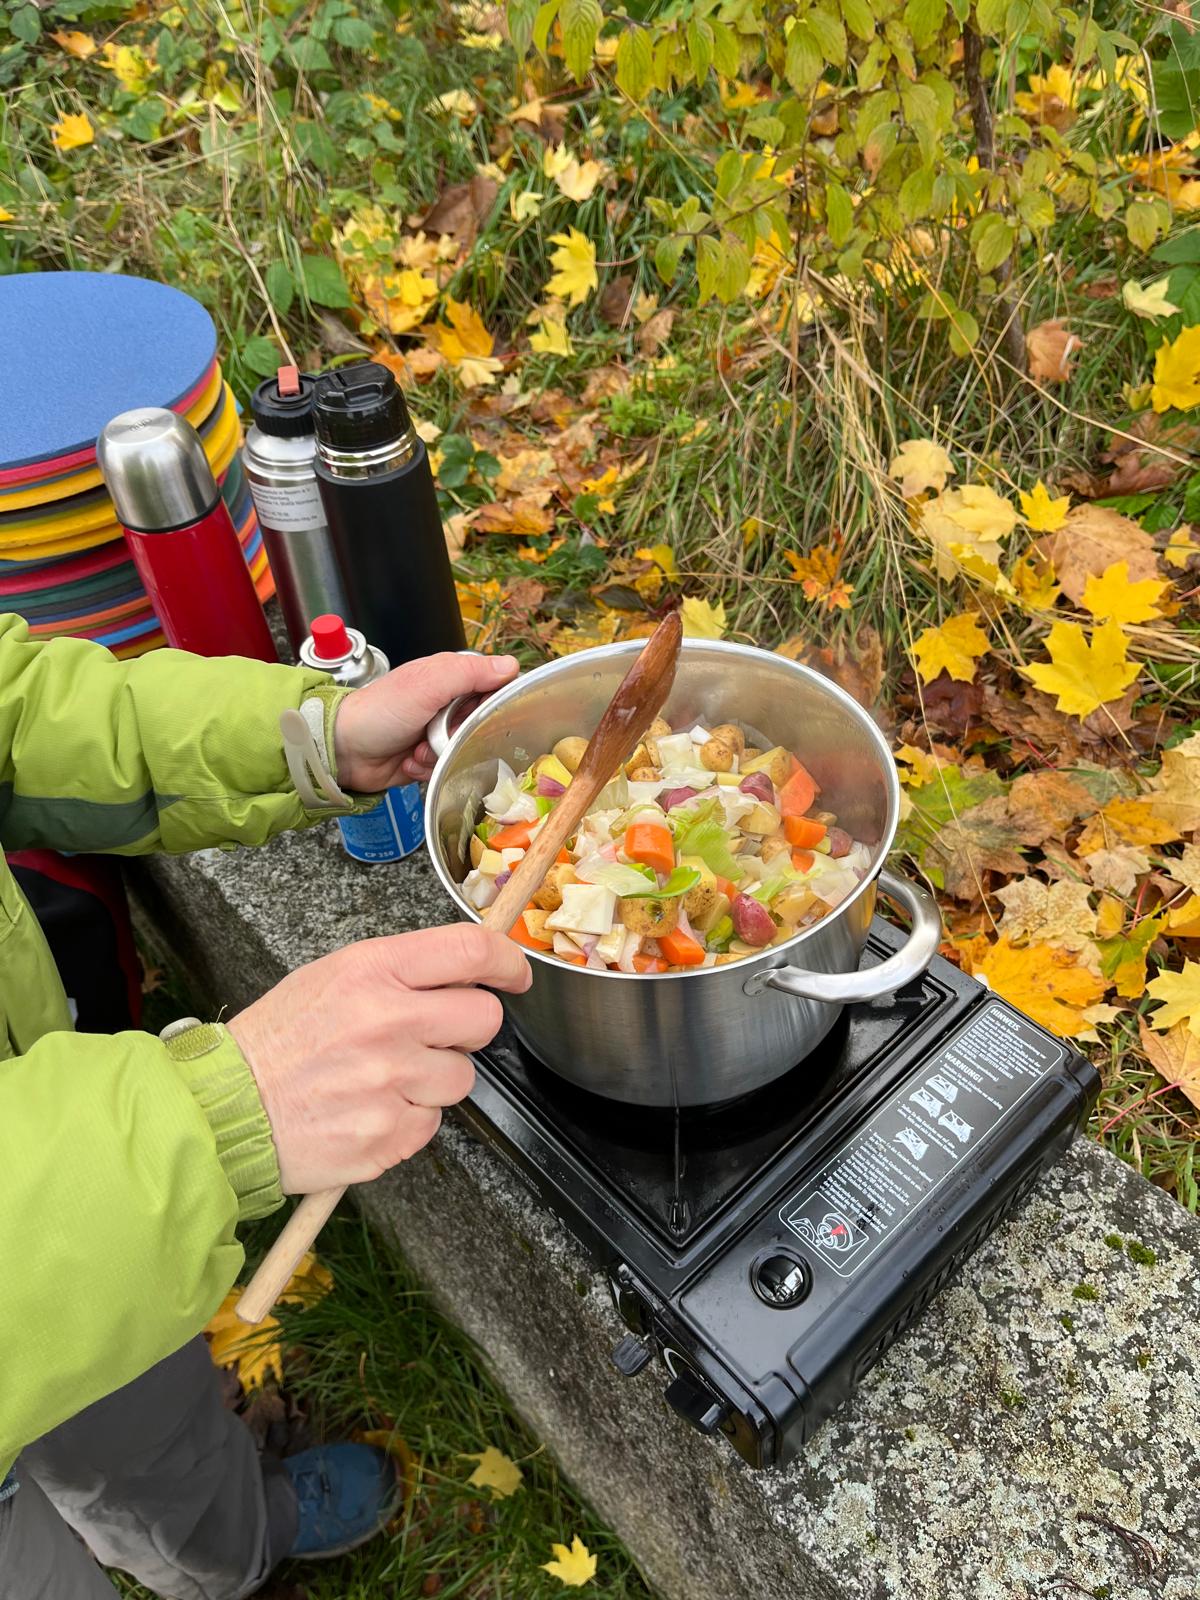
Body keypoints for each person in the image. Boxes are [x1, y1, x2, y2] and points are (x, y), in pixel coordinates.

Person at [0, 614, 531, 1599]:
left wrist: (312, 736)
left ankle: (231, 1536)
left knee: (141, 1424)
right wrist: (203, 1125)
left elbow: (24, 714)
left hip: (77, 1221)